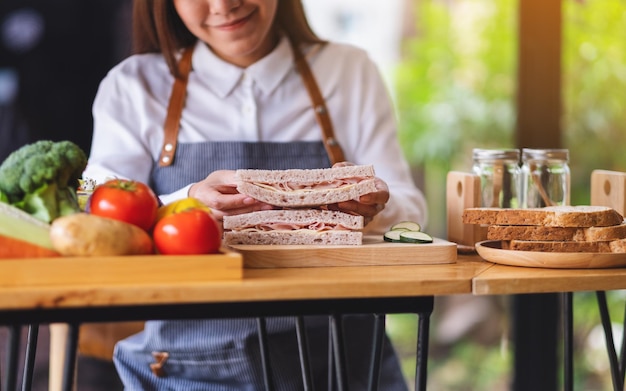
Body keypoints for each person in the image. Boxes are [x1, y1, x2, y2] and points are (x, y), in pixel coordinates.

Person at [84, 0, 428, 389]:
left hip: (341, 360)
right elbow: (94, 205)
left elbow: (411, 208)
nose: (223, 6)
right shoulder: (134, 84)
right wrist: (188, 200)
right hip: (188, 363)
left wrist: (373, 207)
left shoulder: (349, 71)